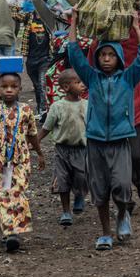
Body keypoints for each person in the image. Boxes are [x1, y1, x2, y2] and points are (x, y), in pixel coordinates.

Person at [68, 10, 140, 251]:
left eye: (110, 55)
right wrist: (74, 21)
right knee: (100, 190)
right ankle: (105, 233)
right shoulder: (92, 78)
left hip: (120, 141)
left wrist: (136, 27)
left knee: (123, 186)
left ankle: (123, 213)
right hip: (95, 141)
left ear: (118, 59)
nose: (106, 59)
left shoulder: (128, 78)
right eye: (102, 55)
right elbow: (74, 54)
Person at [87, 0, 140, 207]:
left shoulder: (137, 34)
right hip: (107, 112)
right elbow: (90, 72)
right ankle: (123, 199)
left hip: (135, 107)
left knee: (137, 155)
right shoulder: (100, 43)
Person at [0, 61, 45, 252]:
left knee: (17, 193)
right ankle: (9, 231)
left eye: (13, 86)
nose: (9, 90)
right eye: (4, 87)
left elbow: (31, 134)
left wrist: (39, 152)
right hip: (0, 164)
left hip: (20, 161)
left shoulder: (26, 110)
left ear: (20, 88)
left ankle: (14, 232)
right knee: (3, 195)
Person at [37, 69, 88, 226]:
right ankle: (66, 211)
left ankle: (79, 195)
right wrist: (35, 142)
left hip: (82, 149)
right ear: (66, 87)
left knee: (82, 177)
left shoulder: (87, 105)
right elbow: (47, 127)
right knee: (62, 180)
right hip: (62, 150)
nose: (83, 86)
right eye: (78, 83)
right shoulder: (57, 106)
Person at [12, 5, 51, 118]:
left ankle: (44, 112)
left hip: (45, 58)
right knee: (37, 85)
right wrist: (18, 1)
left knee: (42, 85)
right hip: (31, 59)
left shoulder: (48, 19)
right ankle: (40, 108)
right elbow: (14, 15)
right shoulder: (29, 16)